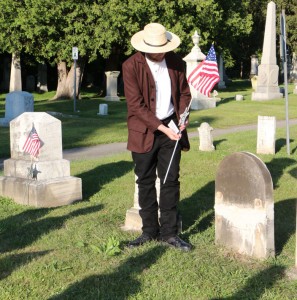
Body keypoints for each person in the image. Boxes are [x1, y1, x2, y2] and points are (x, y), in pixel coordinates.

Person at [122, 23, 192, 251]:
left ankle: (170, 233)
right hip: (144, 131)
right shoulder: (131, 66)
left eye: (164, 47)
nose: (161, 52)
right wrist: (161, 128)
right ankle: (149, 231)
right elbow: (136, 106)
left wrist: (183, 117)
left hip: (172, 128)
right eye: (156, 48)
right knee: (144, 181)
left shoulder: (176, 63)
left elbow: (184, 94)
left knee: (170, 180)